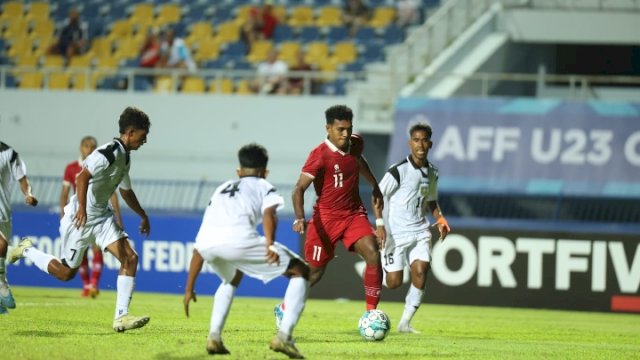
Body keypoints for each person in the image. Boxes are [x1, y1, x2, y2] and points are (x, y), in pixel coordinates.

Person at [10, 107, 152, 332]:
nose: (145, 141)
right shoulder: (107, 152)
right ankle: (26, 249)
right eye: (143, 136)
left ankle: (121, 317)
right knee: (66, 273)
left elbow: (126, 191)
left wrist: (142, 215)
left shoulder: (125, 159)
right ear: (131, 132)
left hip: (102, 218)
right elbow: (82, 177)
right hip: (80, 219)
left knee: (130, 259)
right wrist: (82, 209)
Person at [183, 143, 308, 359]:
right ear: (264, 172)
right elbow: (270, 214)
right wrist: (270, 244)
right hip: (238, 241)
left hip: (206, 246)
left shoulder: (221, 188)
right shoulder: (263, 185)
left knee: (232, 277)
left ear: (238, 171)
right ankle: (284, 337)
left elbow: (199, 247)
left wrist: (188, 289)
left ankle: (214, 337)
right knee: (301, 271)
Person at [275, 105, 385, 326]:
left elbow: (359, 160)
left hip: (354, 215)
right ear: (328, 128)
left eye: (349, 128)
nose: (346, 134)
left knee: (373, 254)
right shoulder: (319, 156)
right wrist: (298, 218)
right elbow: (298, 189)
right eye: (340, 129)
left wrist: (373, 183)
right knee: (312, 274)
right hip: (325, 220)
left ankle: (370, 314)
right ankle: (284, 307)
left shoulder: (356, 143)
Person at [378, 122, 451, 333]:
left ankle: (404, 323)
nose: (420, 144)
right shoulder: (398, 171)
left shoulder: (433, 172)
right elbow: (378, 195)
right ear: (410, 143)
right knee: (393, 282)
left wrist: (441, 218)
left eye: (424, 140)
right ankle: (374, 266)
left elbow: (431, 200)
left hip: (420, 230)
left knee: (421, 270)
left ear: (431, 143)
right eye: (416, 140)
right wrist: (380, 224)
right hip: (396, 233)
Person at [60, 136, 123, 298]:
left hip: (97, 213)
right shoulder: (71, 168)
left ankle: (94, 284)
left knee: (96, 248)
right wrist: (63, 214)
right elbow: (64, 194)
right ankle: (86, 284)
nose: (89, 149)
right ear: (80, 147)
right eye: (87, 146)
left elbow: (112, 193)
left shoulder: (100, 164)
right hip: (78, 214)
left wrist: (117, 216)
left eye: (93, 146)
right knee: (80, 252)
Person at [0, 142, 38, 315]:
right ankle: (2, 284)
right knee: (0, 244)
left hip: (3, 212)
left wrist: (28, 194)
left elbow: (22, 180)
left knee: (2, 246)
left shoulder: (9, 153)